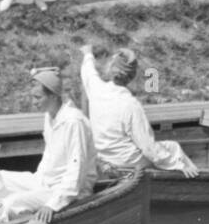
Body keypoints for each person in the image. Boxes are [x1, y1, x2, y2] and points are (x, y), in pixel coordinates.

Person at [80, 44, 199, 177]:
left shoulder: (97, 89)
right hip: (127, 162)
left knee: (167, 150)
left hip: (103, 158)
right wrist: (178, 164)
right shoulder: (131, 105)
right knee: (174, 148)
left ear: (110, 69)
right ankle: (193, 177)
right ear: (132, 76)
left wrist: (87, 54)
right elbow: (148, 147)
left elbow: (88, 72)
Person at [0, 67, 97, 222]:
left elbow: (76, 171)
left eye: (38, 97)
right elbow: (49, 156)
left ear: (53, 96)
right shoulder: (49, 116)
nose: (33, 102)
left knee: (12, 203)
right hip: (45, 183)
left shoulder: (73, 122)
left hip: (67, 191)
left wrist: (53, 204)